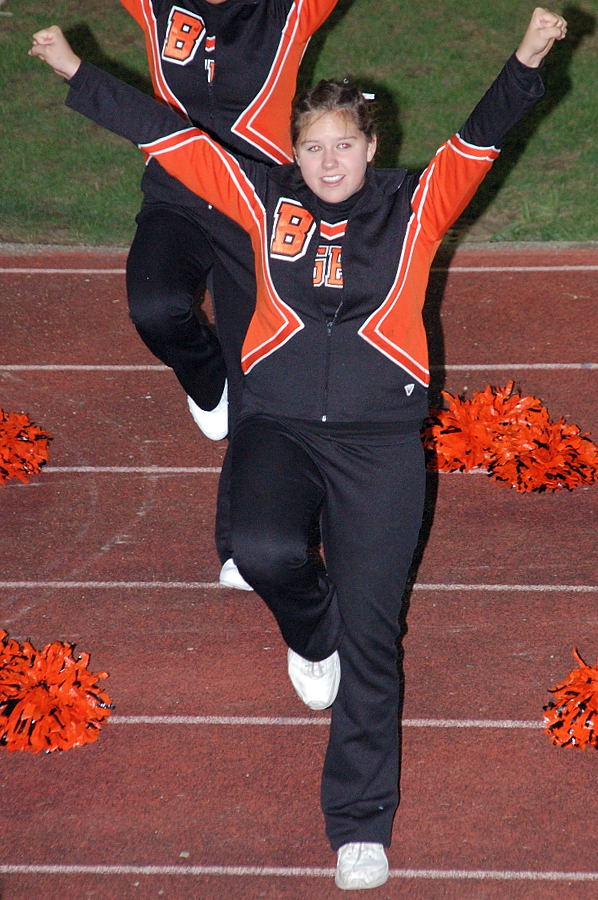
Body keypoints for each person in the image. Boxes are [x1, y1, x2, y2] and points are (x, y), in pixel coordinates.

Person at [30, 7, 567, 890]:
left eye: (343, 146)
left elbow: (480, 138)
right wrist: (75, 73)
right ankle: (312, 631)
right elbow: (173, 139)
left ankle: (359, 825)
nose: (327, 162)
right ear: (296, 151)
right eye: (312, 147)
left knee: (375, 639)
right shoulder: (263, 196)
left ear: (371, 147)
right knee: (261, 550)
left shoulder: (415, 205)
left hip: (378, 449)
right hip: (276, 425)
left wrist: (528, 56)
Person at [114, 1, 339, 589]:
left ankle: (242, 542)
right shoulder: (157, 6)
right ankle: (208, 379)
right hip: (178, 196)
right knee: (155, 306)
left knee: (259, 376)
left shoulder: (289, 10)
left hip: (258, 209)